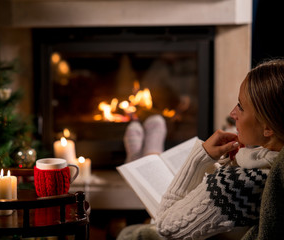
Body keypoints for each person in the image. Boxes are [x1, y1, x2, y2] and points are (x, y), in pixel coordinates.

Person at [118, 59, 284, 240]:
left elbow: (164, 226)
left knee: (133, 233)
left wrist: (200, 158)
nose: (232, 113)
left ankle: (143, 157)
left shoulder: (238, 184)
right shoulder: (269, 165)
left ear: (268, 128)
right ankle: (148, 155)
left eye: (241, 107)